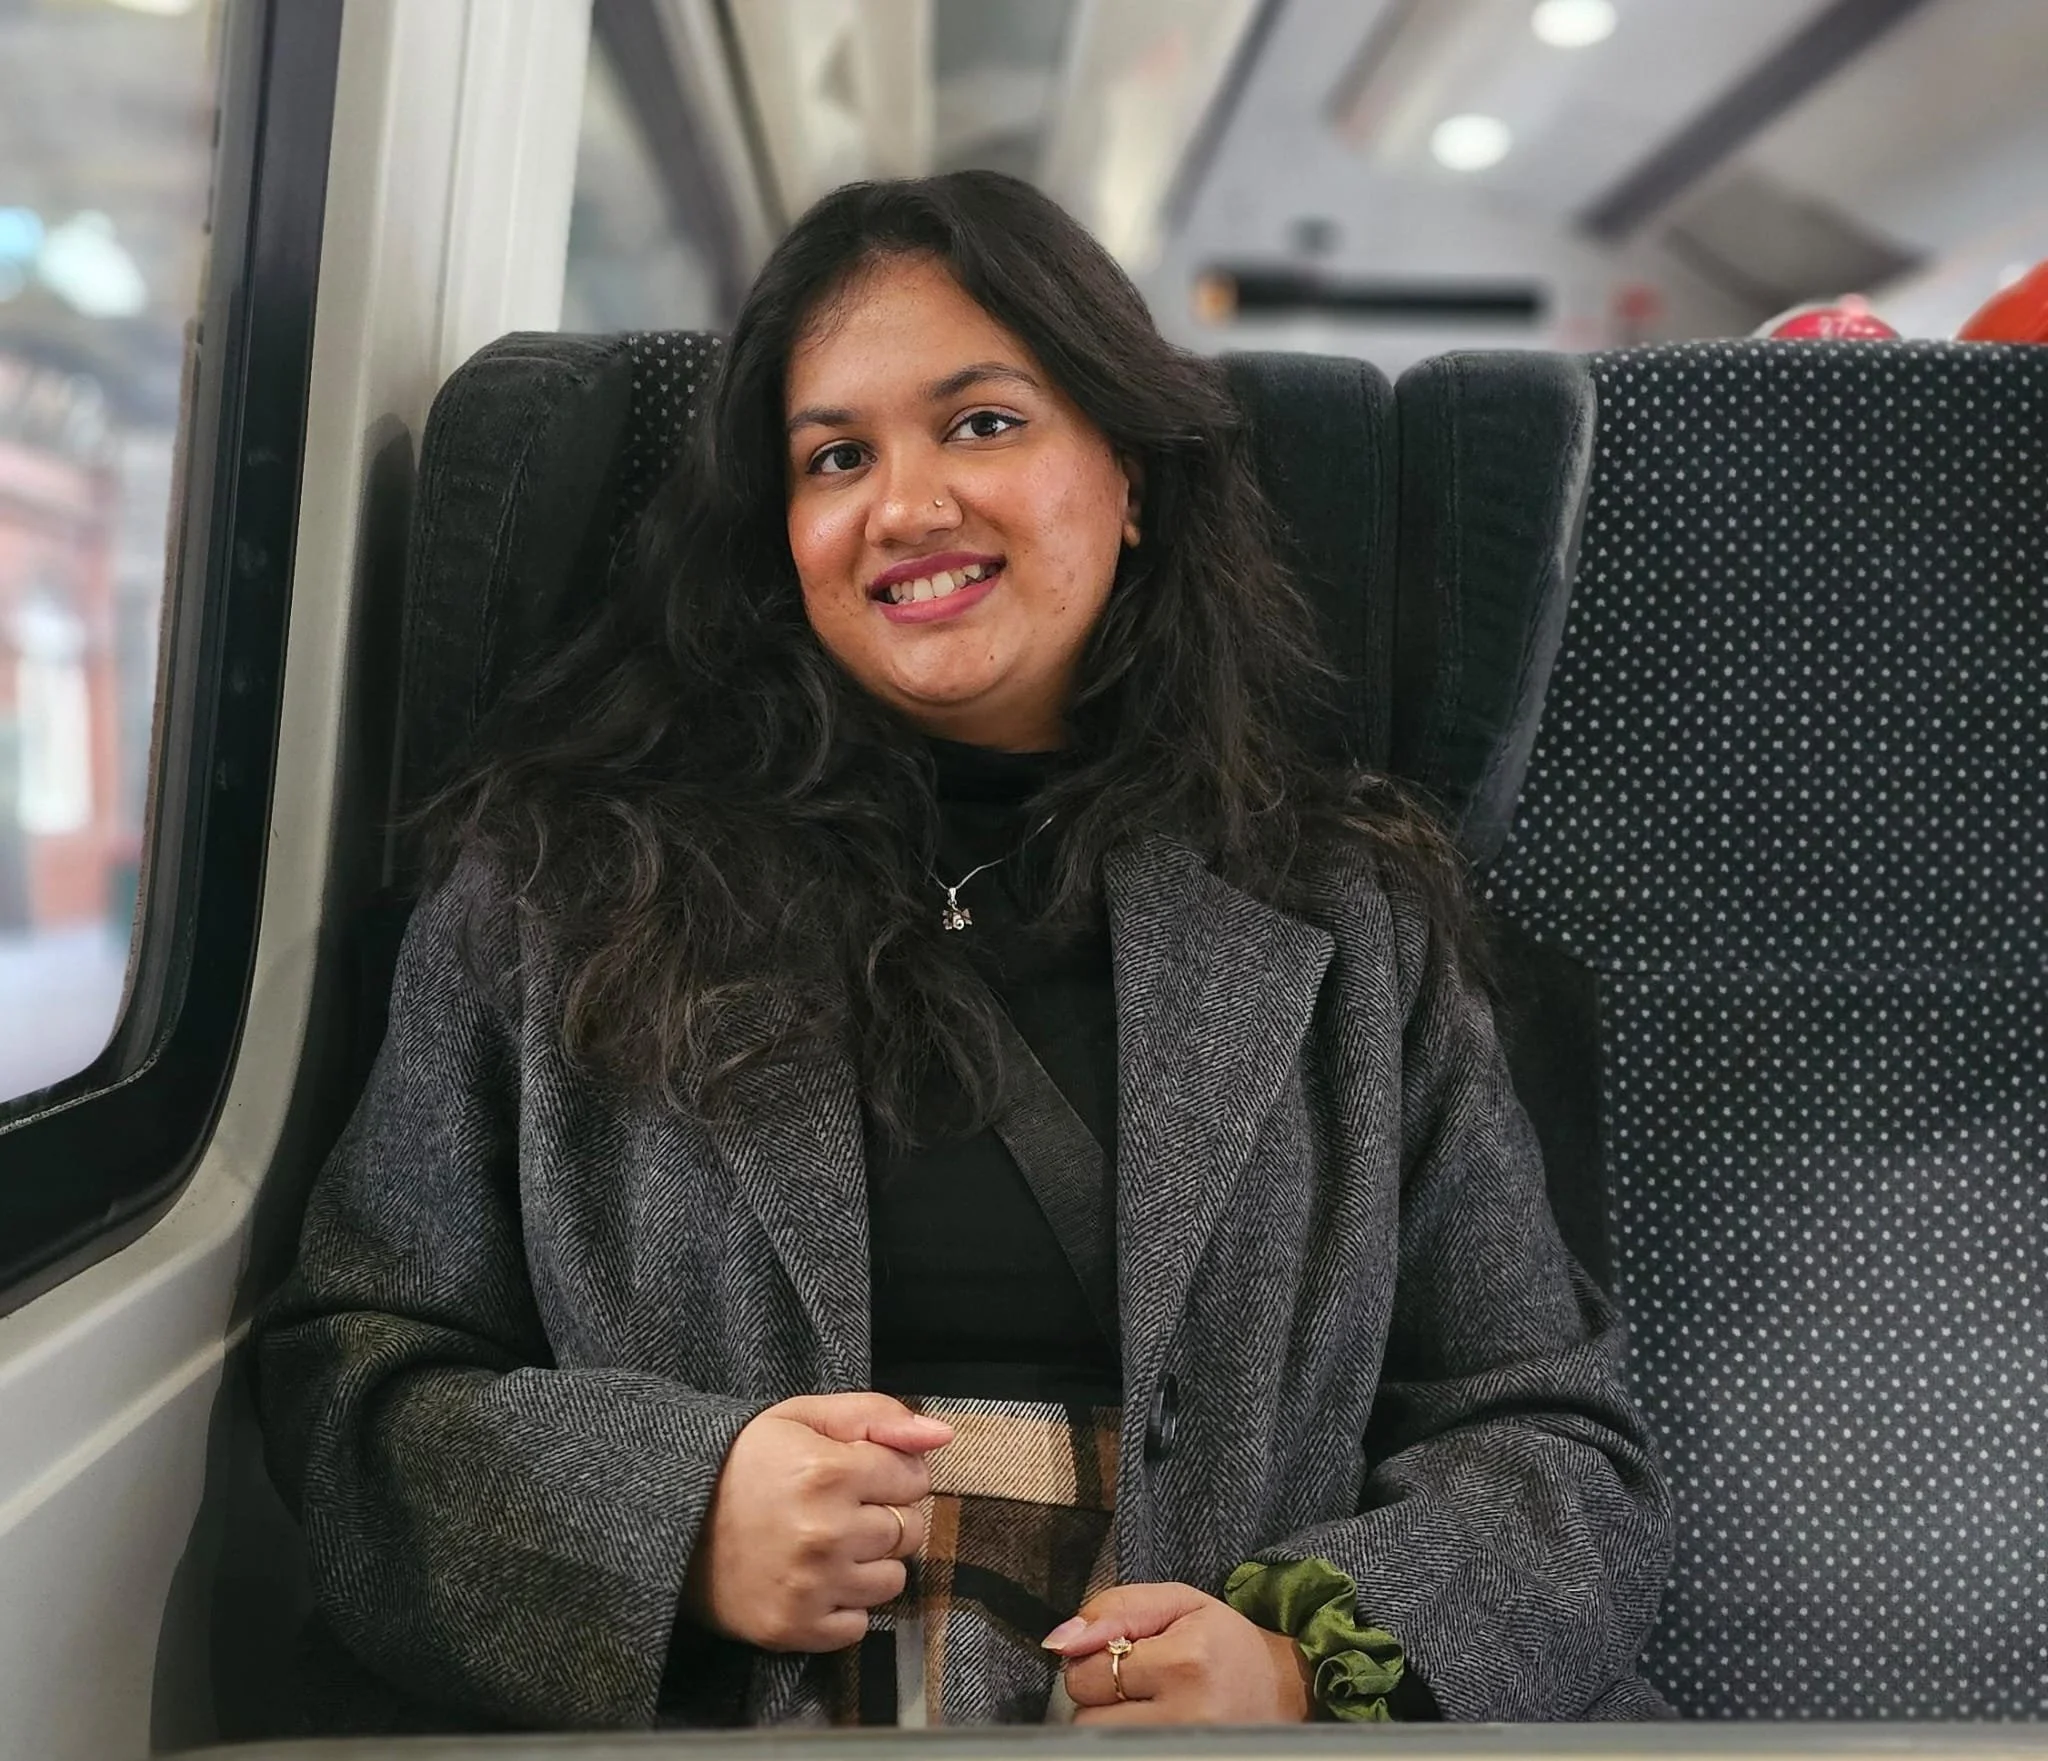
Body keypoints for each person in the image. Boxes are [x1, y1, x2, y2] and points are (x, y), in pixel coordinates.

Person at [257, 169, 1672, 1732]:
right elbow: (355, 1377)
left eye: (984, 423)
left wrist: (1293, 1665)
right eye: (837, 456)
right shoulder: (556, 884)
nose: (907, 504)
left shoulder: (1348, 910)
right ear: (781, 533)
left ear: (1129, 475)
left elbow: (1547, 1439)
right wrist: (675, 1520)